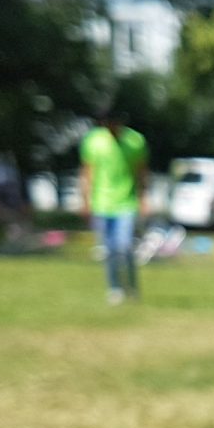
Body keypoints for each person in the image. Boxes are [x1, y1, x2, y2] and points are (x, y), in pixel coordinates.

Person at [78, 109, 149, 304]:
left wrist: (144, 199)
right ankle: (115, 288)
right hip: (102, 203)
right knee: (108, 250)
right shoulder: (93, 141)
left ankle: (132, 287)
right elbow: (87, 172)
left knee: (124, 247)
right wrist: (85, 200)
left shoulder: (135, 141)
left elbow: (141, 172)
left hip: (126, 202)